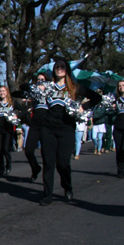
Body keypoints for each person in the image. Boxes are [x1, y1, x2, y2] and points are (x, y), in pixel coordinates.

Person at [39, 59, 100, 205]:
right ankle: (47, 195)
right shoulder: (48, 87)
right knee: (48, 163)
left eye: (62, 67)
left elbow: (97, 97)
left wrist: (83, 107)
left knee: (63, 164)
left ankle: (67, 186)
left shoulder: (75, 87)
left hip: (66, 129)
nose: (59, 69)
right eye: (57, 67)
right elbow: (25, 89)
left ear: (67, 70)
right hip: (48, 128)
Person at [19, 73, 49, 181]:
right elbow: (21, 88)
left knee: (46, 153)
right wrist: (32, 88)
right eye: (38, 79)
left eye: (43, 79)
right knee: (29, 151)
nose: (40, 81)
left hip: (47, 123)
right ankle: (35, 168)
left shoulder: (51, 91)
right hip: (35, 123)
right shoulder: (34, 92)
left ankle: (47, 180)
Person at [0, 86, 24, 176]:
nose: (2, 93)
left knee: (6, 148)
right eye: (0, 91)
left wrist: (16, 116)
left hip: (8, 128)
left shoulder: (12, 103)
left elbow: (24, 110)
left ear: (7, 92)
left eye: (3, 91)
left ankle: (8, 166)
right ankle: (1, 169)